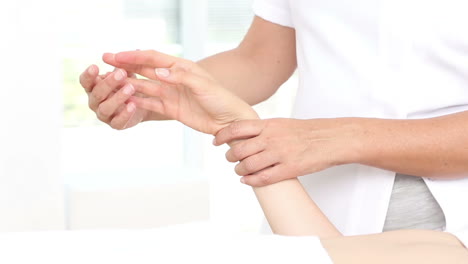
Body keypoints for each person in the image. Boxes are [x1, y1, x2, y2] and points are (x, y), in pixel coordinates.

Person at [79, 0, 468, 246]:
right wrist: (157, 97)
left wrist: (342, 138)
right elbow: (260, 59)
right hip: (312, 208)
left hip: (447, 221)